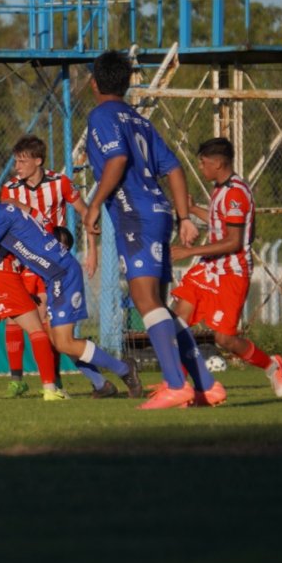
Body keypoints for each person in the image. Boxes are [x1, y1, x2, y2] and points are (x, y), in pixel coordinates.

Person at [0, 173, 141, 401]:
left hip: (62, 274)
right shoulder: (1, 211)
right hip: (54, 276)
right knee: (56, 340)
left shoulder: (0, 216)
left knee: (62, 341)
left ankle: (123, 369)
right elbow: (11, 206)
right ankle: (101, 383)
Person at [83, 51, 214, 410]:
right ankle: (206, 385)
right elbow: (173, 169)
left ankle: (177, 385)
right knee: (159, 305)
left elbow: (118, 158)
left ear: (94, 83)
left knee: (145, 301)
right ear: (126, 84)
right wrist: (184, 216)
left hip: (135, 214)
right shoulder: (139, 120)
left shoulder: (101, 115)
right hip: (159, 211)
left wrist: (94, 204)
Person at [170, 138, 282, 399]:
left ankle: (271, 365)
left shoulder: (236, 193)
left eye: (203, 163)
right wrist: (191, 209)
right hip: (210, 268)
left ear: (218, 163)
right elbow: (216, 221)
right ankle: (179, 387)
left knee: (224, 340)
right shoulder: (220, 189)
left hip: (232, 273)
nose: (200, 168)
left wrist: (189, 251)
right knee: (177, 322)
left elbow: (234, 241)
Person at [0, 134, 99, 395]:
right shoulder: (10, 188)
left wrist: (92, 252)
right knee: (14, 320)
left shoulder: (60, 183)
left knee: (48, 325)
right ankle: (17, 379)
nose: (17, 167)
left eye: (22, 162)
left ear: (38, 161)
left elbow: (86, 213)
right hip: (21, 261)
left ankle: (55, 382)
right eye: (16, 162)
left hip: (52, 263)